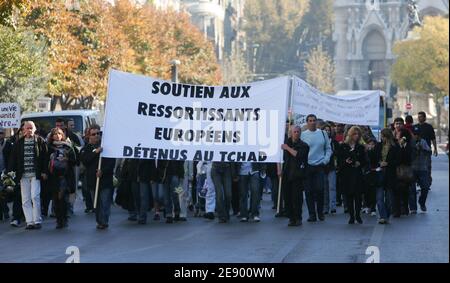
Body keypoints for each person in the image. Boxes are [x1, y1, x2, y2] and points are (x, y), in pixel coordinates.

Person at [8, 121, 48, 230]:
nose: (29, 130)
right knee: (25, 199)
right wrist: (11, 173)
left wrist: (44, 171)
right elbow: (13, 159)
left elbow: (45, 157)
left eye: (31, 128)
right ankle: (29, 221)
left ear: (34, 129)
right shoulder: (18, 143)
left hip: (36, 174)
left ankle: (37, 220)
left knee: (35, 196)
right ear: (23, 130)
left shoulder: (40, 141)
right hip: (23, 175)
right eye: (27, 128)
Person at [80, 125, 116, 229]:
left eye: (98, 133)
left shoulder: (106, 147)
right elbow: (85, 160)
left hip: (105, 180)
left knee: (105, 202)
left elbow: (111, 163)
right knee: (97, 203)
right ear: (89, 136)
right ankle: (99, 220)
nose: (96, 136)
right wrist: (95, 153)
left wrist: (103, 171)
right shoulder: (86, 149)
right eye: (94, 134)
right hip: (93, 180)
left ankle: (104, 221)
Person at [301, 114, 332, 222]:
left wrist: (325, 160)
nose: (312, 122)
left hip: (319, 165)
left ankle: (320, 212)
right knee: (308, 191)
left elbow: (328, 149)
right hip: (308, 166)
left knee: (320, 189)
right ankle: (311, 214)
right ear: (307, 122)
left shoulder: (323, 134)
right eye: (310, 120)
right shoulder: (303, 135)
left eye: (314, 120)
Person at [46, 127, 77, 229]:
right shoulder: (49, 147)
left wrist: (67, 158)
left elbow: (75, 161)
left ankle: (64, 218)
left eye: (59, 133)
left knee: (63, 198)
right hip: (54, 176)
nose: (57, 136)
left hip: (65, 176)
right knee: (56, 199)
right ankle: (59, 220)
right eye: (55, 134)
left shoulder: (68, 146)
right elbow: (44, 161)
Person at [338, 126, 367, 224]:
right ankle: (351, 215)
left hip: (357, 174)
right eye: (354, 134)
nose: (356, 136)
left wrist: (360, 163)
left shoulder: (360, 147)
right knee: (349, 196)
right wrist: (346, 162)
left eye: (358, 134)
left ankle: (358, 215)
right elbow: (339, 161)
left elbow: (365, 161)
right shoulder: (343, 146)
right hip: (347, 174)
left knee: (358, 196)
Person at [281, 125, 309, 226]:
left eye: (298, 132)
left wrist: (287, 148)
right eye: (294, 132)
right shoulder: (285, 144)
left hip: (297, 175)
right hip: (286, 174)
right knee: (287, 197)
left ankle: (298, 217)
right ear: (291, 133)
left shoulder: (304, 145)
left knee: (297, 198)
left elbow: (298, 155)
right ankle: (290, 217)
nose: (296, 133)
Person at [376, 129, 399, 224]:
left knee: (389, 198)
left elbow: (397, 160)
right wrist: (379, 162)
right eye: (381, 136)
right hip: (379, 173)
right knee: (379, 197)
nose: (382, 138)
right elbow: (374, 157)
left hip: (390, 174)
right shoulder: (378, 146)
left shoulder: (395, 147)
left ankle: (386, 215)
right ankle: (383, 216)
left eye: (383, 136)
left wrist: (388, 163)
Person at [127, 159, 155, 225]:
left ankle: (142, 217)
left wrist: (152, 177)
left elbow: (152, 164)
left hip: (144, 176)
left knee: (144, 196)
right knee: (136, 196)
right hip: (134, 176)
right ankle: (140, 213)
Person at [393, 128, 413, 218]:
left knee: (405, 190)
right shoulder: (395, 145)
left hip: (405, 172)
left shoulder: (409, 146)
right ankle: (397, 210)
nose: (397, 136)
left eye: (398, 134)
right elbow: (396, 159)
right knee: (397, 191)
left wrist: (402, 147)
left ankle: (405, 207)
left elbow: (408, 159)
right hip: (397, 171)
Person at [411, 126, 431, 212]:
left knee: (425, 187)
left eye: (417, 135)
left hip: (423, 168)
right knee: (411, 189)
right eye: (414, 134)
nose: (416, 136)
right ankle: (413, 208)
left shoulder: (423, 142)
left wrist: (422, 149)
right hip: (412, 168)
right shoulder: (410, 142)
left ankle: (422, 202)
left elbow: (429, 152)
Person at [415, 112, 438, 187]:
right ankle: (420, 182)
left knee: (427, 167)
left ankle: (427, 183)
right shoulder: (415, 127)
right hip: (417, 151)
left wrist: (435, 149)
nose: (419, 118)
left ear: (425, 118)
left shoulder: (429, 127)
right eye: (418, 117)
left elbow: (433, 138)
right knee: (418, 167)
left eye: (421, 117)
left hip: (426, 151)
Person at [322, 123, 338, 214]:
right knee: (324, 188)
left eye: (328, 130)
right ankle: (325, 207)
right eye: (325, 130)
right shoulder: (320, 142)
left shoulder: (333, 142)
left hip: (331, 167)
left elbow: (337, 153)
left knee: (332, 187)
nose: (327, 132)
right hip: (323, 167)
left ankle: (333, 206)